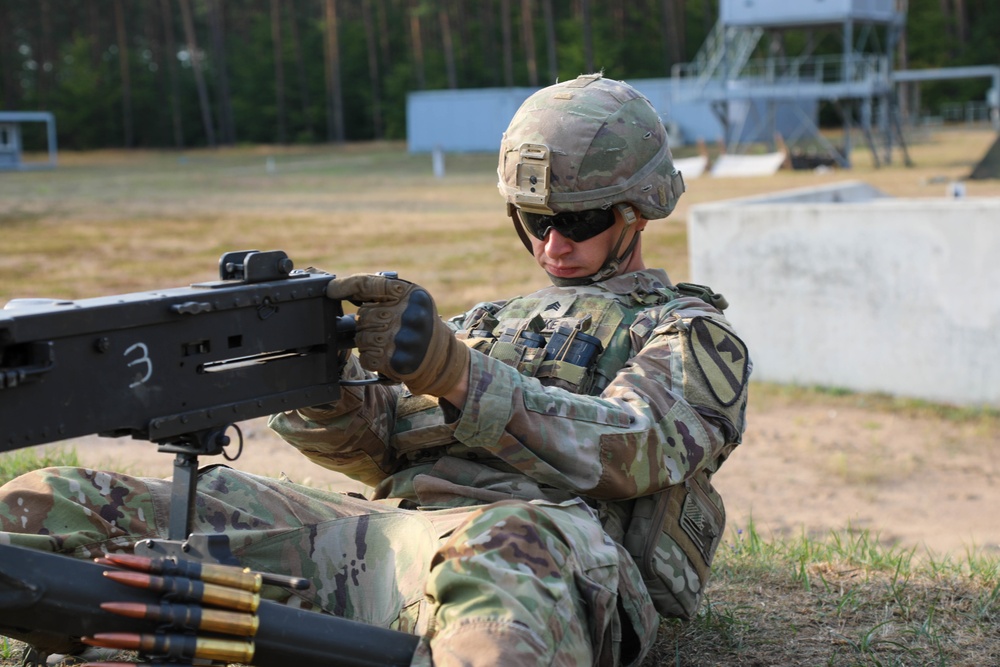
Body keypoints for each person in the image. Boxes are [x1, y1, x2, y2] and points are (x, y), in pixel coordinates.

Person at [0, 73, 750, 666]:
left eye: (579, 220)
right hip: (384, 542)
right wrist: (320, 370)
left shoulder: (690, 333)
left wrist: (457, 373)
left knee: (502, 558)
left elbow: (630, 446)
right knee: (54, 501)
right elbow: (374, 452)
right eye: (534, 219)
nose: (553, 242)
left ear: (639, 210)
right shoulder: (490, 320)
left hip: (540, 545)